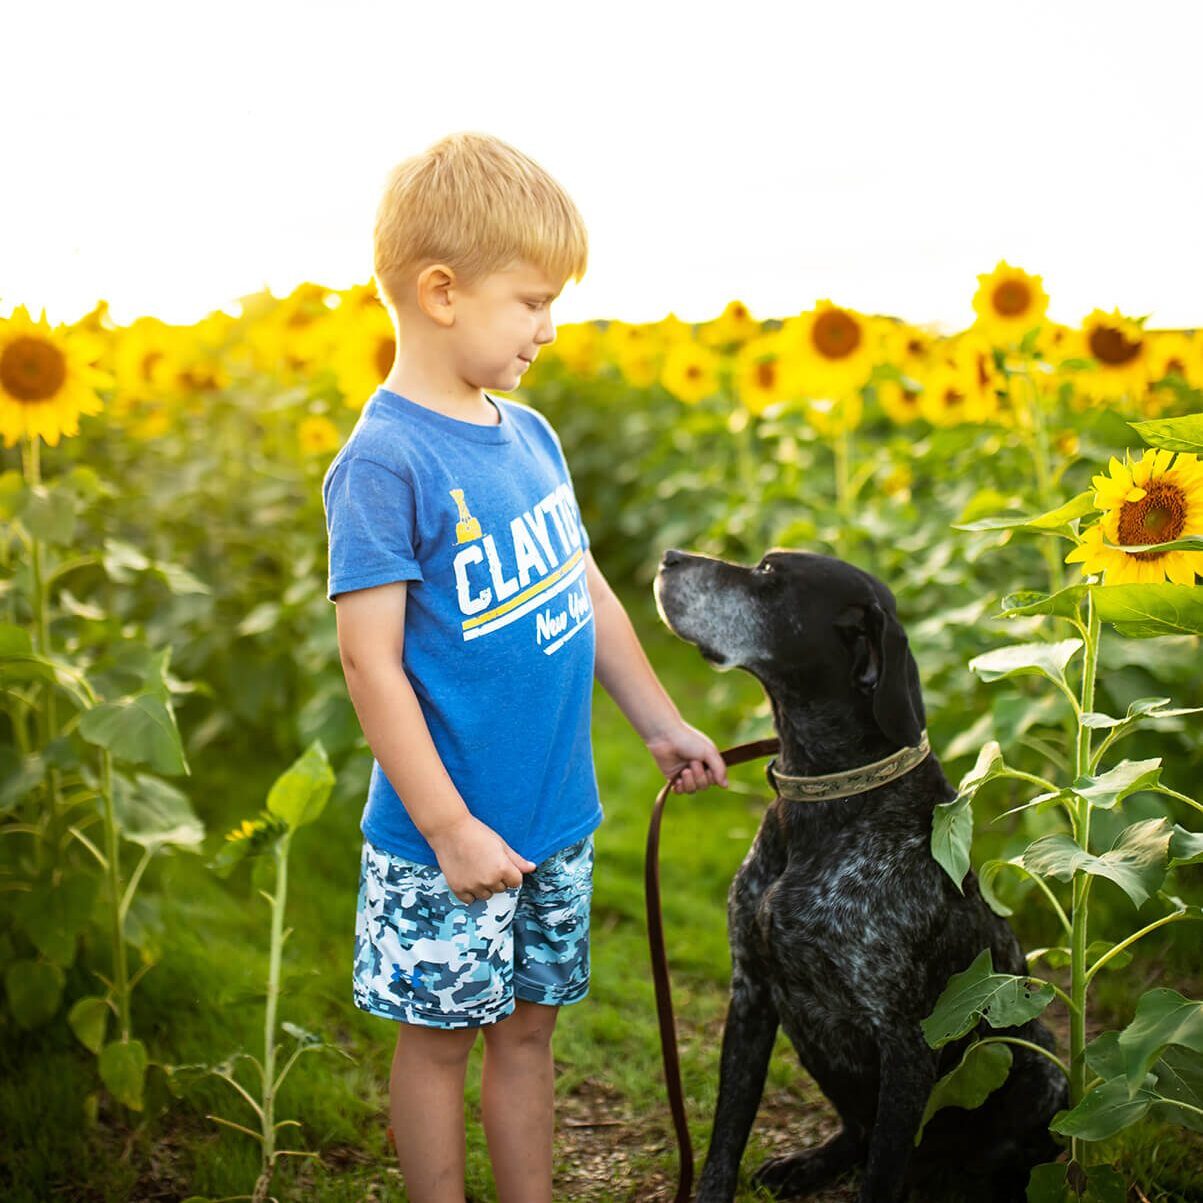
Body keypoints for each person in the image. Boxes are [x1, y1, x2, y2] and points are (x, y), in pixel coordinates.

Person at [321, 130, 729, 1203]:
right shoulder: (385, 462)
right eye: (532, 301)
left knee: (530, 1028)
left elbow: (581, 592)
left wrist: (657, 721)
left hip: (556, 815)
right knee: (440, 1041)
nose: (549, 328)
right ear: (442, 292)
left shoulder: (531, 435)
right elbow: (369, 664)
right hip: (445, 834)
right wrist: (451, 827)